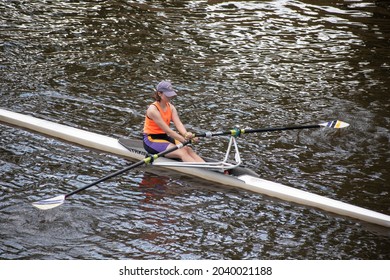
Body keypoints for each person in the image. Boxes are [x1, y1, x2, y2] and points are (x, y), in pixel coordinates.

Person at [143, 81, 204, 162]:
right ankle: (199, 172)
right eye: (168, 95)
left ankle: (208, 169)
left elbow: (178, 123)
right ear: (159, 94)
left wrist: (186, 135)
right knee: (182, 152)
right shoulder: (153, 110)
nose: (170, 97)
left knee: (188, 149)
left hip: (164, 137)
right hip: (151, 140)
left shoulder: (171, 107)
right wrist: (183, 140)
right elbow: (168, 131)